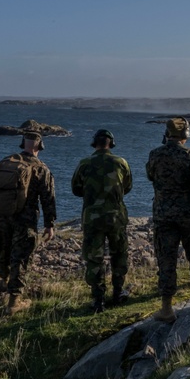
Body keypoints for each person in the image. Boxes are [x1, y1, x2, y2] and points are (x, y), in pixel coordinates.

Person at [146, 118, 190, 323]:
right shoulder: (189, 155)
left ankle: (166, 307)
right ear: (185, 136)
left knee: (166, 260)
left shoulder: (155, 154)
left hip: (164, 215)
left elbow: (150, 175)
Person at [0, 131, 57, 314]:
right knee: (20, 257)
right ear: (39, 146)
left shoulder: (7, 162)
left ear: (23, 143)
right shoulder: (41, 168)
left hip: (3, 216)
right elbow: (48, 199)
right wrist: (49, 224)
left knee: (3, 248)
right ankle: (14, 302)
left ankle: (3, 279)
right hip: (25, 220)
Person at [71, 129, 133, 313]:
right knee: (119, 254)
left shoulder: (85, 163)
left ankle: (98, 299)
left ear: (94, 143)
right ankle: (118, 291)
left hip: (92, 218)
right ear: (111, 144)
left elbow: (76, 189)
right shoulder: (120, 163)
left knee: (94, 258)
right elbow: (127, 186)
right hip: (116, 217)